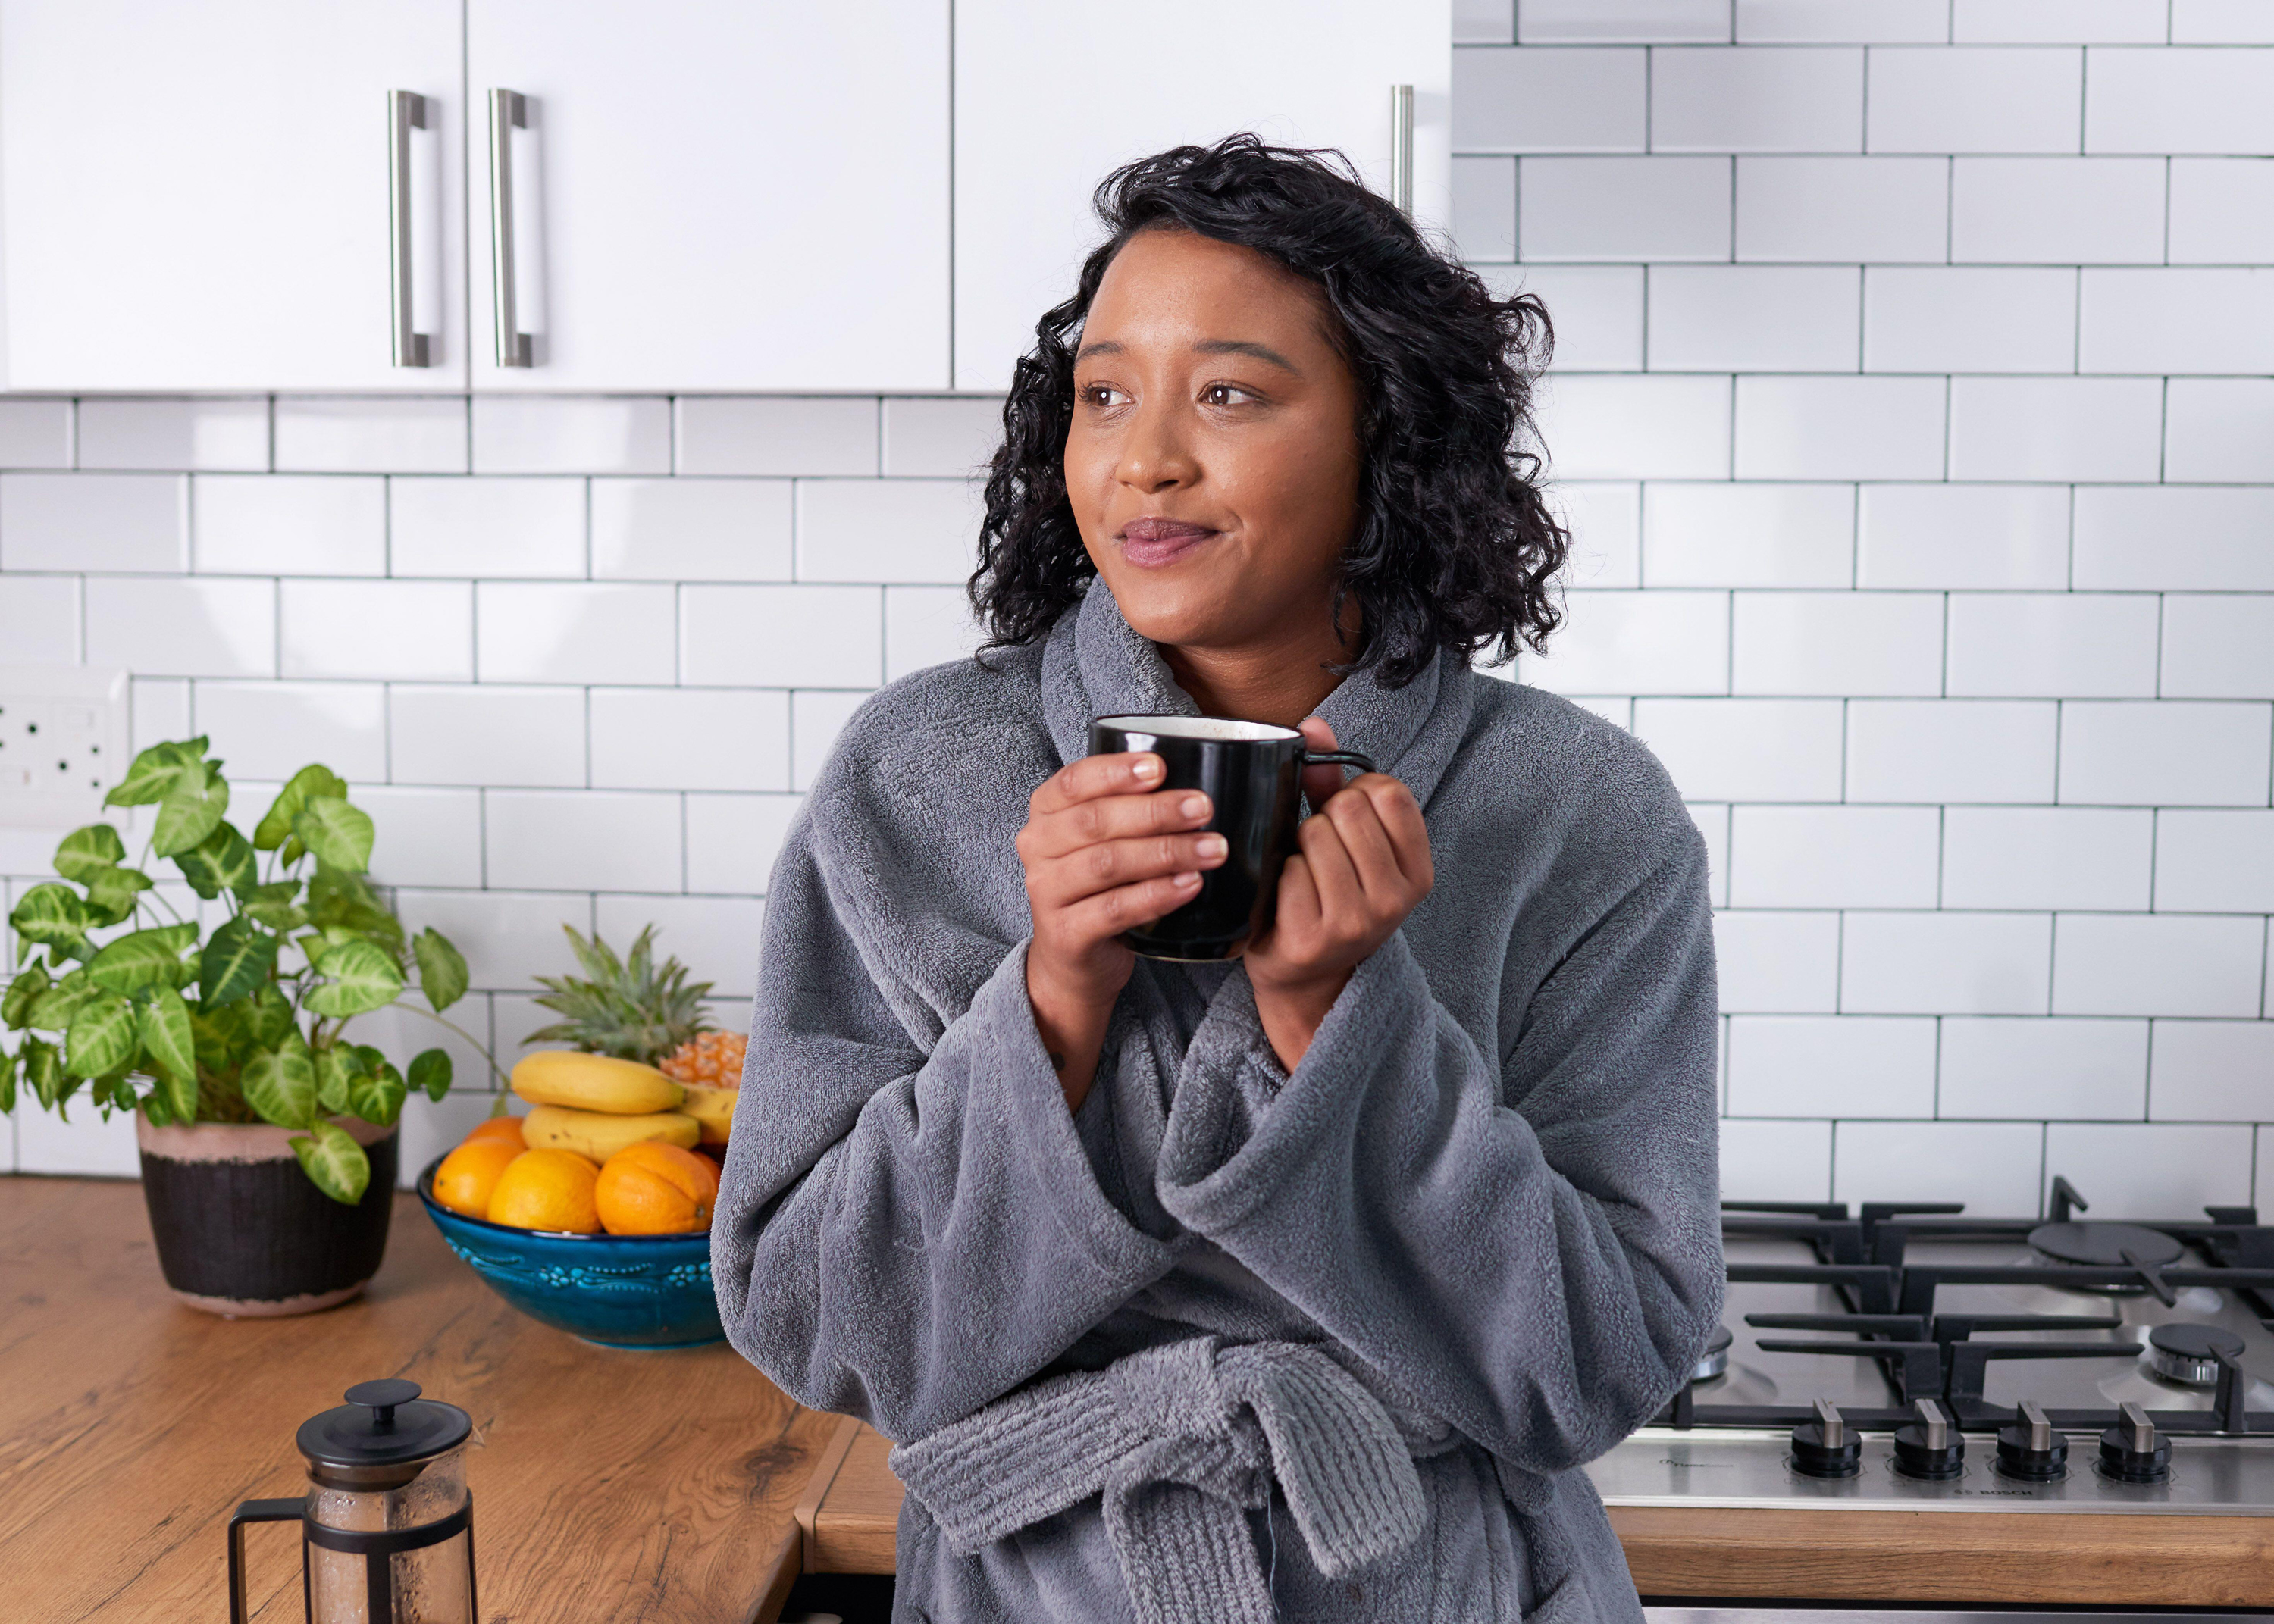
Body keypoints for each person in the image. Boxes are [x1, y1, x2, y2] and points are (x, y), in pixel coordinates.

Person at [713, 134, 1724, 1622]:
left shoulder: (1578, 814)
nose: (1143, 457)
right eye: (1105, 391)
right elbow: (816, 1321)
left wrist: (1338, 1027)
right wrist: (1054, 1002)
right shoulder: (918, 774)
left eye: (1231, 392)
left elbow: (1599, 1363)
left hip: (1436, 1586)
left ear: (1389, 432)